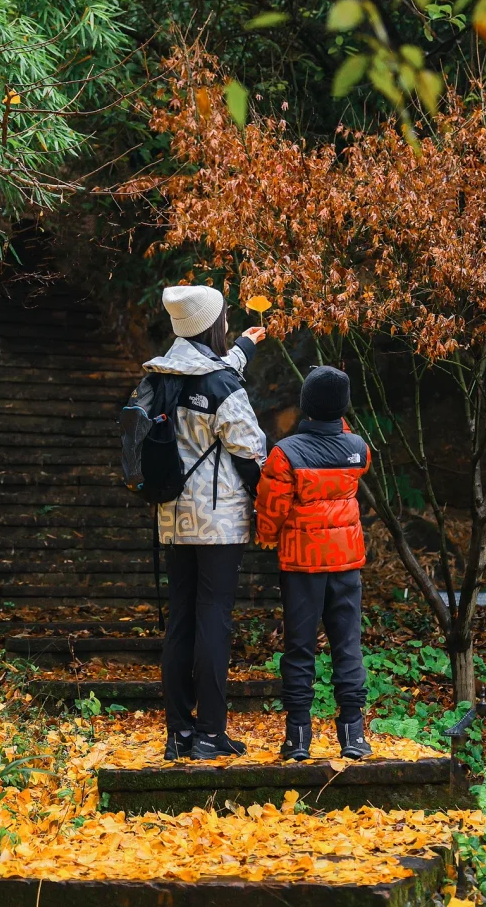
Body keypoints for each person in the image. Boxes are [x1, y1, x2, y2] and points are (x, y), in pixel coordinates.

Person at [146, 284, 267, 760]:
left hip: (173, 515)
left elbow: (207, 377)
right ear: (213, 326)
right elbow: (250, 448)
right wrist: (267, 500)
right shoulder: (222, 386)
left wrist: (244, 349)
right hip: (217, 522)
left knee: (180, 620)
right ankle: (212, 733)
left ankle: (179, 733)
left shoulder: (159, 376)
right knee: (214, 620)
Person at [254, 364, 372, 761]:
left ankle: (298, 737)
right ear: (344, 406)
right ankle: (353, 734)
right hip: (346, 562)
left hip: (302, 566)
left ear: (305, 404)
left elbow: (271, 509)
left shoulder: (286, 453)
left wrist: (267, 536)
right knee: (348, 646)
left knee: (300, 648)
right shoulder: (358, 448)